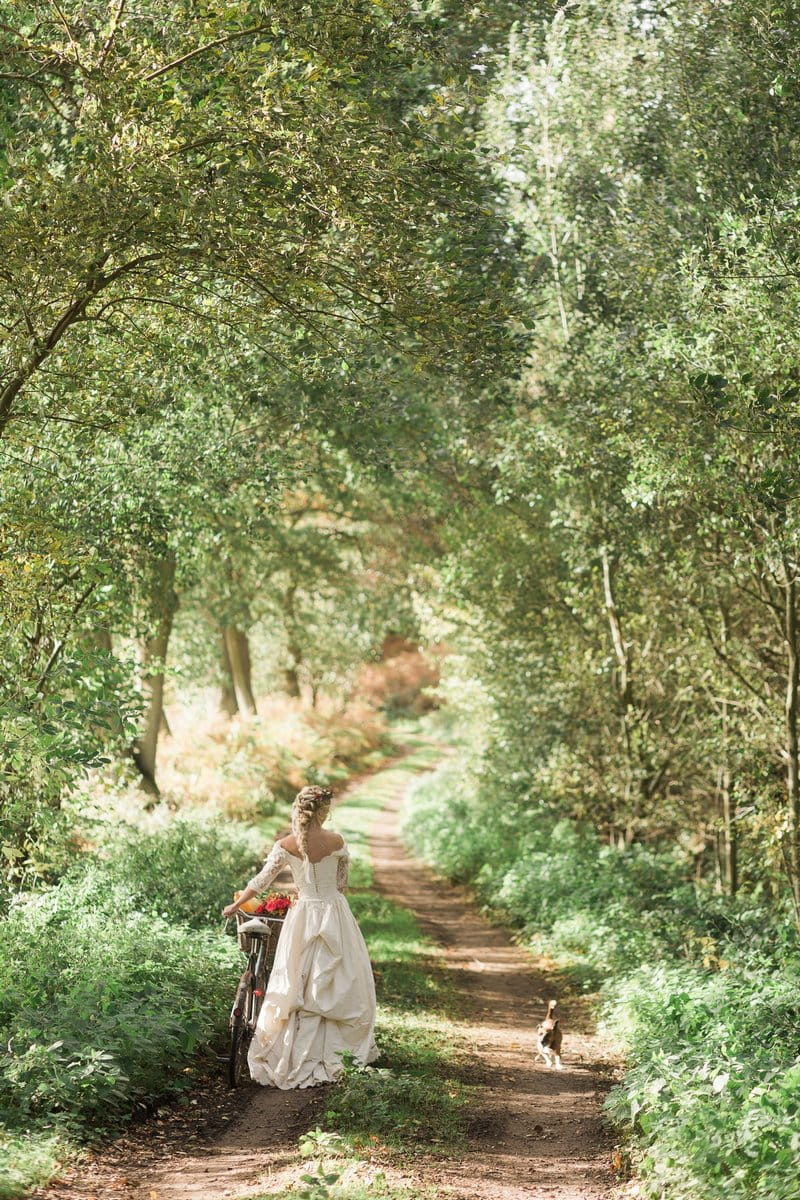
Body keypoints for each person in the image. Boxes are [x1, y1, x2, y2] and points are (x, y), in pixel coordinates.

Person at [222, 784, 378, 1089]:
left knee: (296, 979)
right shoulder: (337, 841)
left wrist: (237, 905)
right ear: (324, 811)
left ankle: (290, 1046)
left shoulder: (286, 844)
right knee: (338, 976)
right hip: (334, 914)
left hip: (303, 915)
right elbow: (342, 883)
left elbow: (261, 881)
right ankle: (335, 1049)